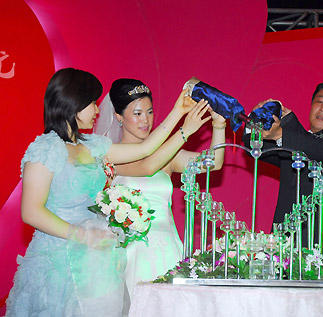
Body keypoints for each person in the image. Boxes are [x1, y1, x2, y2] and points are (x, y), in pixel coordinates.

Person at [6, 68, 197, 316]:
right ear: (73, 104)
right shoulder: (44, 149)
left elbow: (146, 151)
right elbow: (31, 211)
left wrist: (178, 114)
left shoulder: (93, 146)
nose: (98, 111)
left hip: (94, 263)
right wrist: (80, 234)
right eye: (92, 103)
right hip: (57, 260)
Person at [95, 78, 226, 301]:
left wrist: (219, 125)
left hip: (168, 248)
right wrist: (184, 131)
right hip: (130, 253)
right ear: (118, 116)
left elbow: (214, 162)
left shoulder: (168, 155)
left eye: (149, 111)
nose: (145, 120)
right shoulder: (109, 155)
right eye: (137, 113)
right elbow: (147, 165)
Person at [242, 79, 323, 280]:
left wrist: (284, 128)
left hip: (321, 242)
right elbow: (256, 150)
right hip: (284, 241)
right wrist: (254, 122)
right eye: (319, 101)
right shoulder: (296, 140)